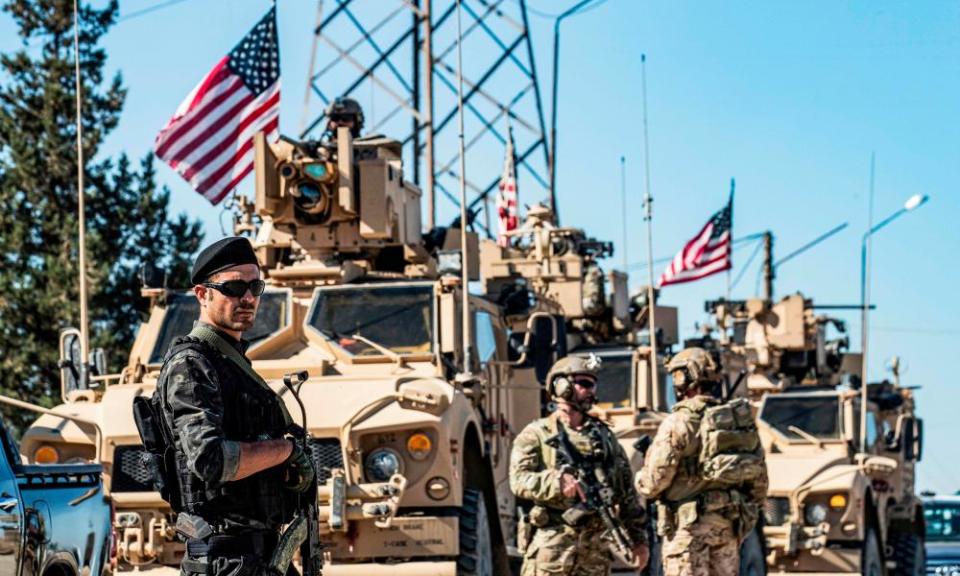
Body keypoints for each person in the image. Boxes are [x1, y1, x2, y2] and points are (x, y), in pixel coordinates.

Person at [156, 236, 315, 576]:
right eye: (234, 287)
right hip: (224, 557)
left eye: (255, 287)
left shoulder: (233, 365)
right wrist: (284, 451)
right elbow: (209, 459)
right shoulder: (193, 364)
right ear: (203, 294)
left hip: (258, 556)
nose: (247, 297)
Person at [510, 355, 650, 576]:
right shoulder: (537, 433)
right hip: (553, 547)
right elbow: (518, 480)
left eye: (593, 384)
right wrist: (556, 481)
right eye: (584, 383)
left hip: (594, 551)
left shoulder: (604, 438)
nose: (591, 390)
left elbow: (626, 494)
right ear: (561, 385)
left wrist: (639, 540)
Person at [636, 348, 768, 576]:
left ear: (682, 379)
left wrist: (639, 478)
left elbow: (653, 483)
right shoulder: (736, 422)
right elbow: (759, 484)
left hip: (687, 534)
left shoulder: (678, 422)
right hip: (726, 531)